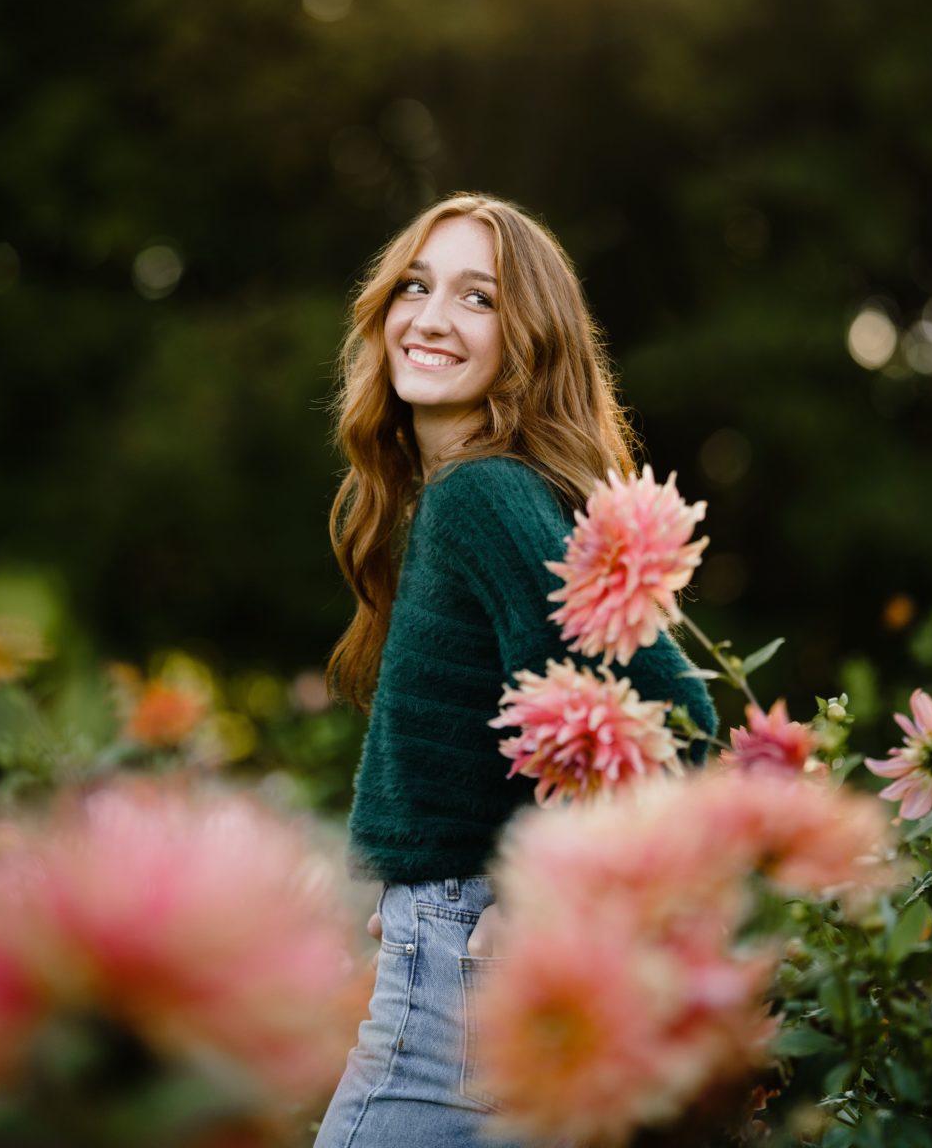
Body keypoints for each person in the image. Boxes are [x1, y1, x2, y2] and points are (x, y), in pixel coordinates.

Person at [314, 193, 718, 1148]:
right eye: (416, 285)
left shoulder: (482, 495)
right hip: (450, 951)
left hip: (464, 978)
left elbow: (678, 719)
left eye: (478, 298)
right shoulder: (483, 497)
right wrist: (418, 888)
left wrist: (532, 895)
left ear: (528, 339)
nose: (430, 317)